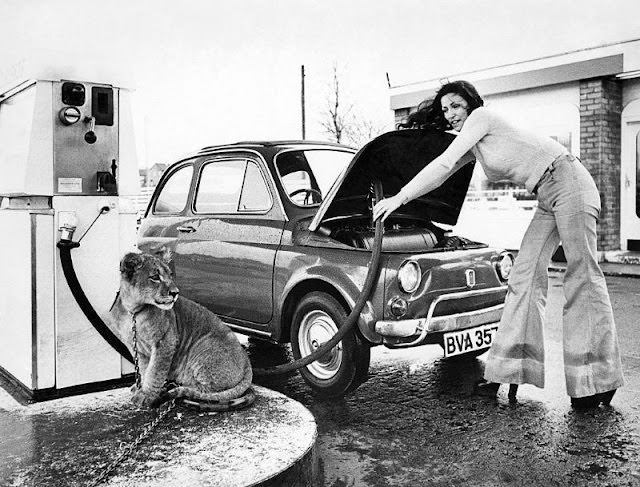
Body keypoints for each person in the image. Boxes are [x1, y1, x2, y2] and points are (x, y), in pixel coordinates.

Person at [373, 80, 624, 409]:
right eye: (445, 109)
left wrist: (400, 197)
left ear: (471, 104)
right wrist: (403, 196)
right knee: (524, 276)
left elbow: (445, 162)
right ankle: (507, 369)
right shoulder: (473, 143)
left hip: (569, 181)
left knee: (583, 276)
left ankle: (597, 381)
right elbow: (441, 173)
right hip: (547, 195)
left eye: (456, 106)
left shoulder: (482, 118)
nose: (450, 114)